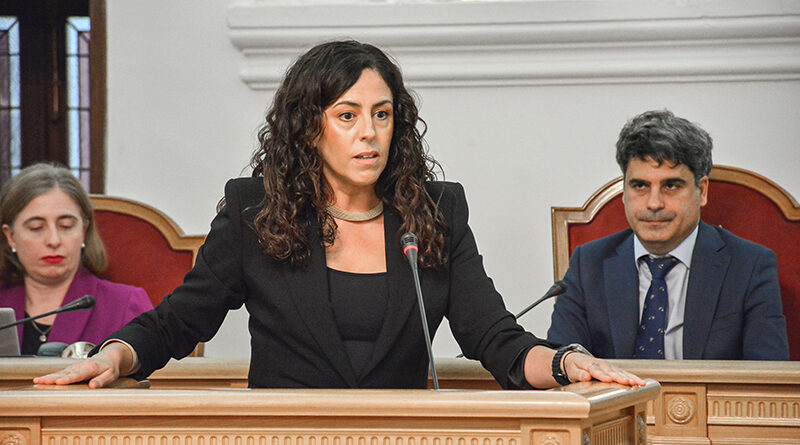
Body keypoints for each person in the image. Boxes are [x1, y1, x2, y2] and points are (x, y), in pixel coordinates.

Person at [35, 40, 644, 389]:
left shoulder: (435, 211)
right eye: (347, 115)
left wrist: (566, 364)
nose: (368, 134)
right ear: (309, 127)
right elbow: (179, 320)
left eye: (382, 114)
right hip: (287, 436)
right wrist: (113, 354)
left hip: (403, 436)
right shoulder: (256, 212)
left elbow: (494, 336)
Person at [547, 109, 789, 360]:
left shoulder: (749, 266)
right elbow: (561, 365)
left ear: (702, 191)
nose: (653, 203)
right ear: (624, 192)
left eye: (671, 186)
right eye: (640, 186)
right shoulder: (589, 263)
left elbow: (767, 378)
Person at [0, 163, 153, 355]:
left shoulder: (126, 304)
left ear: (83, 231)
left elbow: (152, 381)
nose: (54, 241)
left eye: (66, 226)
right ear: (11, 237)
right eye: (36, 228)